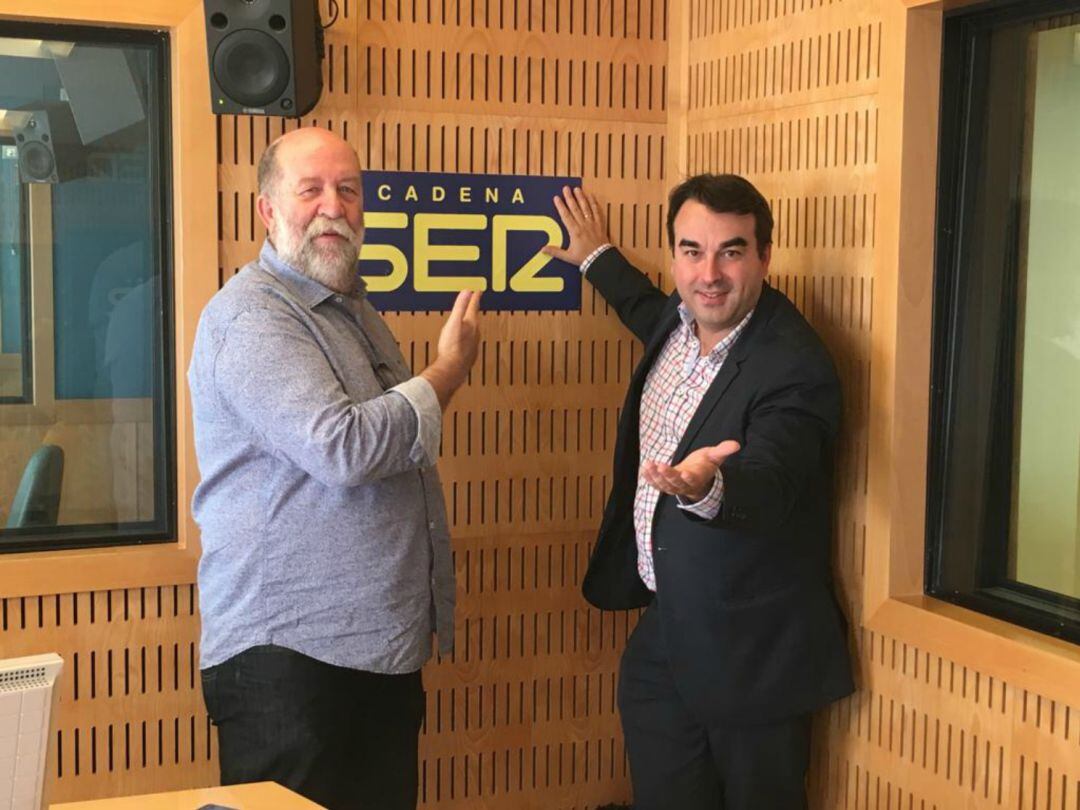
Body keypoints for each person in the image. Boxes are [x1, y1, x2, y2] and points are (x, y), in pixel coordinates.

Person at [187, 127, 481, 810]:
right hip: (290, 665)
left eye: (348, 190)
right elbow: (344, 448)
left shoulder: (351, 310)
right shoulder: (252, 316)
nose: (333, 207)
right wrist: (449, 369)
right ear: (267, 210)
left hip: (373, 653)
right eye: (311, 189)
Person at [545, 175, 854, 809]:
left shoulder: (794, 365)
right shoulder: (679, 321)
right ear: (674, 256)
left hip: (753, 652)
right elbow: (644, 308)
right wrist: (598, 257)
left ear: (764, 256)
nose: (708, 274)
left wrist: (709, 487)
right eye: (692, 251)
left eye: (731, 252)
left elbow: (773, 478)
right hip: (668, 628)